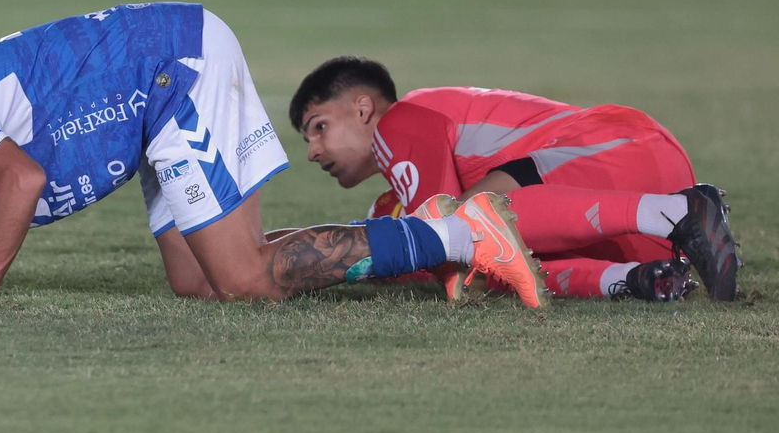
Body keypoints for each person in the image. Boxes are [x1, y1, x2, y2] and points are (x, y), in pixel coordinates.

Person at [0, 3, 548, 308]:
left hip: (171, 71)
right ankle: (431, 233)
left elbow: (23, 177)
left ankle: (460, 234)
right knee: (198, 281)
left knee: (244, 280)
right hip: (147, 107)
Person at [287, 56, 742, 302]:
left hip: (623, 151)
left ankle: (679, 211)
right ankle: (635, 279)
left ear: (363, 108)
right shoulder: (434, 126)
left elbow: (444, 235)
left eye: (319, 127)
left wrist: (384, 258)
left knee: (468, 234)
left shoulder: (400, 121)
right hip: (637, 209)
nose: (312, 151)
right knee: (492, 254)